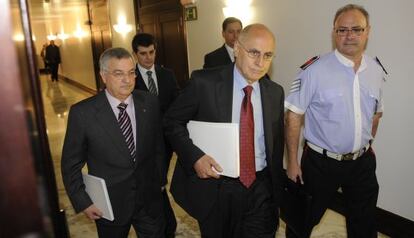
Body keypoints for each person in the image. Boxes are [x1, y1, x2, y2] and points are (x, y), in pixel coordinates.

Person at [164, 24, 285, 238]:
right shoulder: (204, 83)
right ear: (237, 48)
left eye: (268, 55)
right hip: (217, 187)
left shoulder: (275, 93)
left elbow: (275, 144)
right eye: (254, 53)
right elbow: (172, 122)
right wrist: (195, 157)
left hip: (261, 188)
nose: (260, 63)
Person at [285, 4, 386, 238]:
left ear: (367, 31)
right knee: (302, 220)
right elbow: (293, 116)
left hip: (361, 163)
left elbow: (376, 114)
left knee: (364, 223)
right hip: (321, 163)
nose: (349, 35)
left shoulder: (376, 70)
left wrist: (364, 145)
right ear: (334, 32)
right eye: (342, 30)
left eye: (356, 29)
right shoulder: (314, 70)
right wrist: (291, 161)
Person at [61, 47, 166, 238]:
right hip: (110, 204)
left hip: (149, 200)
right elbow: (70, 165)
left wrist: (160, 180)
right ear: (103, 75)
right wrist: (83, 201)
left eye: (131, 72)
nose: (127, 80)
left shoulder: (149, 102)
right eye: (118, 74)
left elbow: (158, 146)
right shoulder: (83, 113)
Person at [132, 32, 179, 238]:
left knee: (159, 178)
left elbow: (177, 104)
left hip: (166, 140)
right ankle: (165, 222)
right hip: (142, 140)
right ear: (135, 54)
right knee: (153, 179)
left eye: (151, 52)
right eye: (143, 54)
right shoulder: (130, 78)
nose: (148, 57)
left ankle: (166, 222)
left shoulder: (167, 74)